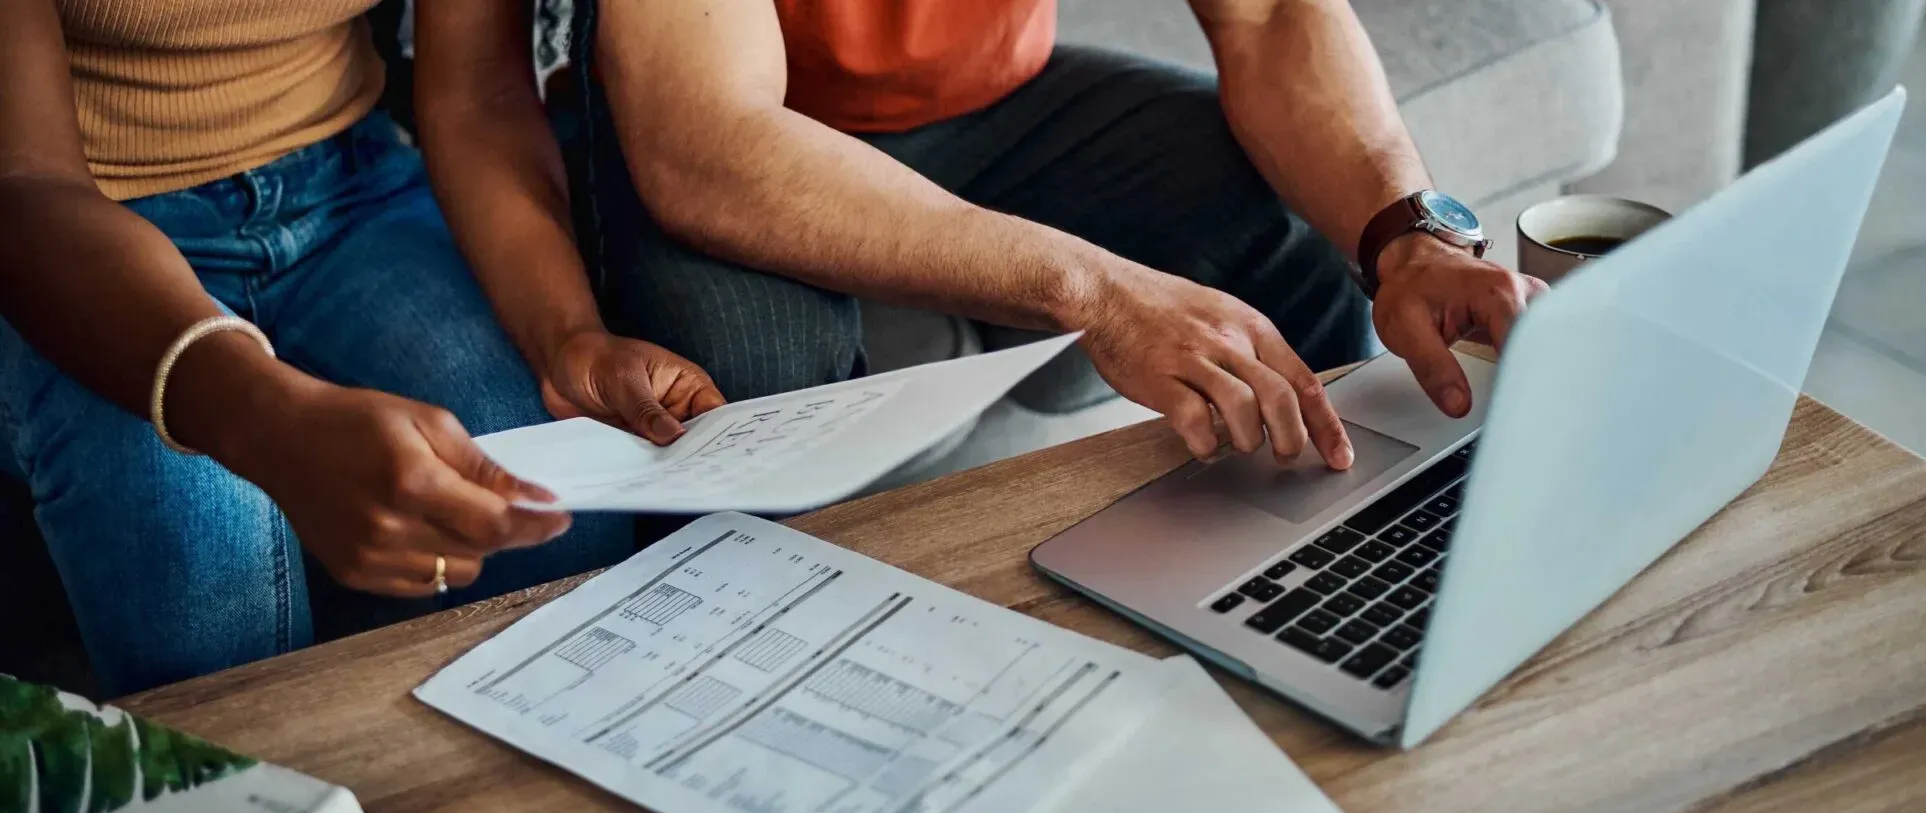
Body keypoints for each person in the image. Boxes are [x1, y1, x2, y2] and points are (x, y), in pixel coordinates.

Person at [416, 0, 1548, 472]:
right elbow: (703, 144)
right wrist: (1092, 291)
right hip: (728, 124)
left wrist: (1409, 233)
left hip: (993, 103)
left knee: (1284, 245)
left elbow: (1263, 17)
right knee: (749, 385)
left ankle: (1310, 600)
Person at [0, 0, 668, 694]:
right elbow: (24, 184)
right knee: (203, 535)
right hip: (71, 229)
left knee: (558, 505)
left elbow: (479, 94)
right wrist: (270, 422)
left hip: (350, 182)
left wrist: (568, 333)